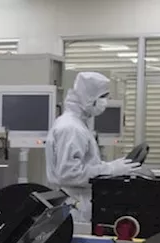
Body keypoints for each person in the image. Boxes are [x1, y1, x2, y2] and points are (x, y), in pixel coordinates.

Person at [46, 71, 141, 224]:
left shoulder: (77, 124)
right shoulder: (71, 128)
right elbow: (69, 174)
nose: (106, 101)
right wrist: (110, 170)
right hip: (74, 209)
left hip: (77, 204)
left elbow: (85, 166)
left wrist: (112, 167)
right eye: (103, 96)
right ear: (89, 97)